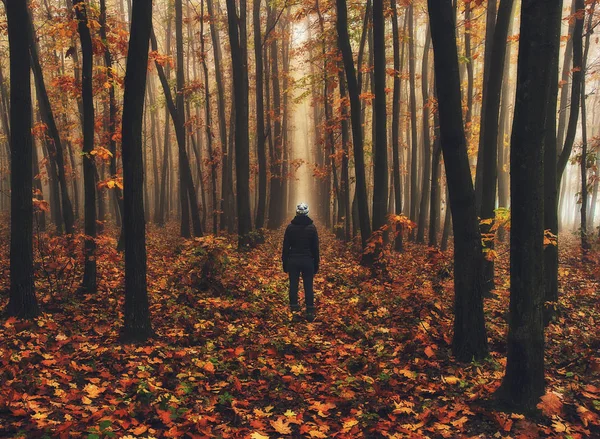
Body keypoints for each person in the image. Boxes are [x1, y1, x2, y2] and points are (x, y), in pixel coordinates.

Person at [282, 203, 320, 322]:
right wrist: (316, 264)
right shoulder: (312, 228)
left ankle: (294, 312)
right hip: (308, 261)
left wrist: (285, 262)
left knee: (293, 285)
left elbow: (285, 247)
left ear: (296, 213)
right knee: (308, 286)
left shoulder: (290, 228)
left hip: (293, 260)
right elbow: (315, 248)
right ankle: (309, 312)